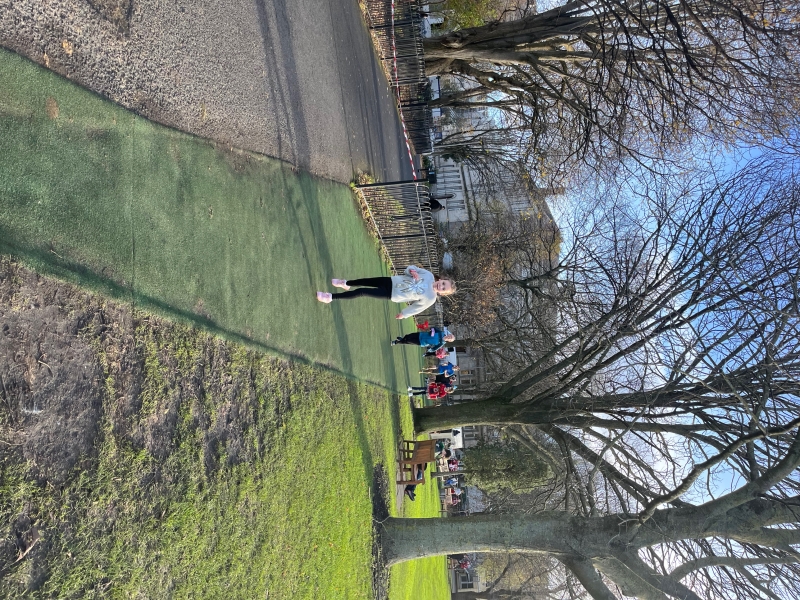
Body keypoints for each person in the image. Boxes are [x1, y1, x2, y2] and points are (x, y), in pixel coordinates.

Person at [315, 266, 456, 319]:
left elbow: (416, 308)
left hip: (391, 294)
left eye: (444, 289)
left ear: (443, 294)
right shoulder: (429, 275)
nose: (441, 286)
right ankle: (346, 283)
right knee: (365, 281)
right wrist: (412, 271)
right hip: (391, 281)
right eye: (443, 283)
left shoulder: (430, 298)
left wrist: (404, 314)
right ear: (441, 279)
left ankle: (331, 297)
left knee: (362, 292)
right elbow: (410, 268)